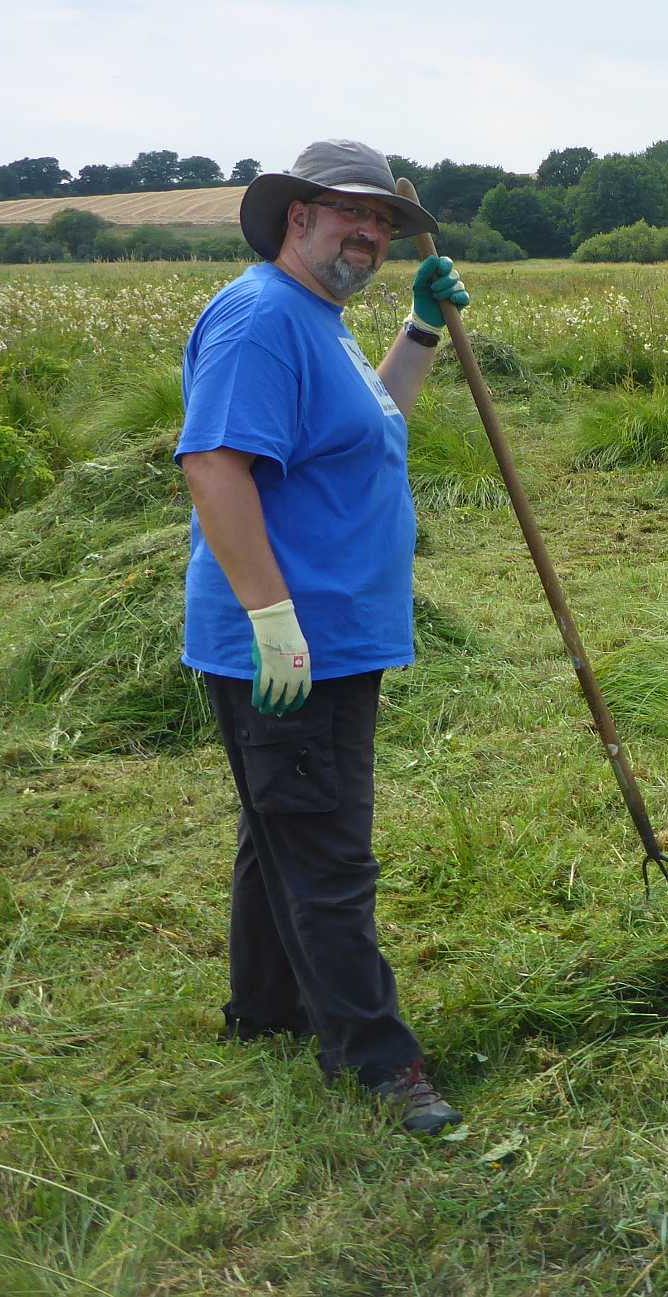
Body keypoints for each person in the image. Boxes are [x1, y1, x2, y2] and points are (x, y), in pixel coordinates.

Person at [176, 139, 471, 1133]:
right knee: (328, 852)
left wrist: (421, 329)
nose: (370, 232)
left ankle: (266, 1013)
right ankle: (380, 1064)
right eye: (352, 212)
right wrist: (273, 621)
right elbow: (215, 466)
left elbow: (372, 422)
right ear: (295, 214)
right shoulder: (263, 317)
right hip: (296, 638)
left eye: (384, 220)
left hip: (336, 631)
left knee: (283, 830)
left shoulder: (321, 318)